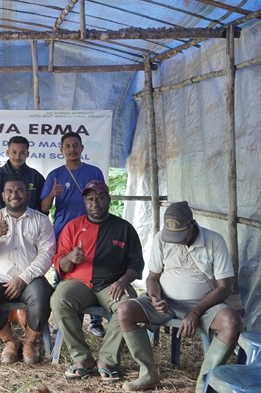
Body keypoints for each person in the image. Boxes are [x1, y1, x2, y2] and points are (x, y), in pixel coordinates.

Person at [117, 201, 243, 392]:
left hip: (204, 304)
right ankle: (148, 374)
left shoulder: (214, 241)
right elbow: (152, 277)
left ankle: (205, 382)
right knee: (125, 310)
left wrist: (196, 311)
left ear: (192, 224)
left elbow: (225, 287)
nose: (176, 241)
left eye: (180, 236)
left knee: (232, 322)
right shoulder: (161, 238)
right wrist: (154, 297)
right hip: (166, 299)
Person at [50, 180, 144, 381]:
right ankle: (82, 358)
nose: (95, 202)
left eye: (100, 197)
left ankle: (107, 359)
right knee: (58, 300)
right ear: (84, 201)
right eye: (90, 198)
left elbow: (136, 265)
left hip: (112, 284)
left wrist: (123, 281)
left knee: (128, 306)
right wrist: (70, 258)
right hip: (79, 283)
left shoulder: (124, 228)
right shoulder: (73, 227)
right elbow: (60, 265)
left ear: (108, 200)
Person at [0, 177, 56, 364]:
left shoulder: (41, 220)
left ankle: (29, 342)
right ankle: (10, 340)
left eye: (19, 190)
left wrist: (23, 278)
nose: (14, 194)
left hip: (30, 278)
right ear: (3, 196)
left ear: (28, 194)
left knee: (43, 296)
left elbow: (47, 254)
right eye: (9, 191)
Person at [41, 131, 106, 337]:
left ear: (81, 148)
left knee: (93, 272)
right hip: (63, 233)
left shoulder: (94, 172)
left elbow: (103, 201)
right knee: (62, 274)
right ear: (61, 150)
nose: (72, 149)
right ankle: (60, 319)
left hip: (92, 232)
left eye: (75, 145)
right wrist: (52, 194)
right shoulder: (54, 175)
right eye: (67, 146)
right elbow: (43, 207)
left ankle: (95, 322)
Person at [0, 136, 45, 212]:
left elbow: (44, 207)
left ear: (27, 154)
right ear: (8, 153)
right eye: (14, 152)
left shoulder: (35, 176)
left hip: (31, 221)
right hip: (5, 221)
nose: (17, 157)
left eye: (22, 153)